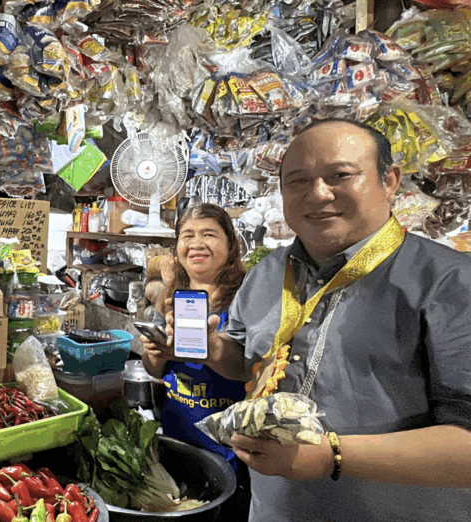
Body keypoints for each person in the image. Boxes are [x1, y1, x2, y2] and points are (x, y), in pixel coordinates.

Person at [165, 118, 471, 521]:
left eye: (340, 175)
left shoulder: (449, 281)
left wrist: (334, 456)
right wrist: (212, 348)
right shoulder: (268, 272)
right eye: (298, 181)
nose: (318, 194)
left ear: (390, 181)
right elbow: (245, 362)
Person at [140, 203, 247, 468]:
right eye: (188, 235)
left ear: (230, 244)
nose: (196, 243)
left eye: (209, 234)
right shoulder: (169, 295)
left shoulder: (246, 297)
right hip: (179, 431)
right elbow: (154, 370)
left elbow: (255, 367)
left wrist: (208, 350)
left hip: (230, 442)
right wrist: (154, 353)